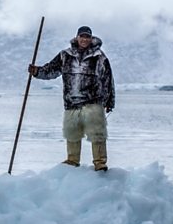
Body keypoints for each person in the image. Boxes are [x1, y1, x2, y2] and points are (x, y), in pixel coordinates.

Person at [29, 25, 115, 171]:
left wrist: (109, 101)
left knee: (97, 134)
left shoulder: (99, 57)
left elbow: (108, 80)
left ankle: (100, 162)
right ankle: (72, 160)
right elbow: (51, 70)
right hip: (71, 102)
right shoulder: (65, 55)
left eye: (87, 37)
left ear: (91, 39)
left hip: (93, 101)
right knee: (72, 133)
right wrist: (37, 71)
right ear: (77, 37)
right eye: (82, 36)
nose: (84, 39)